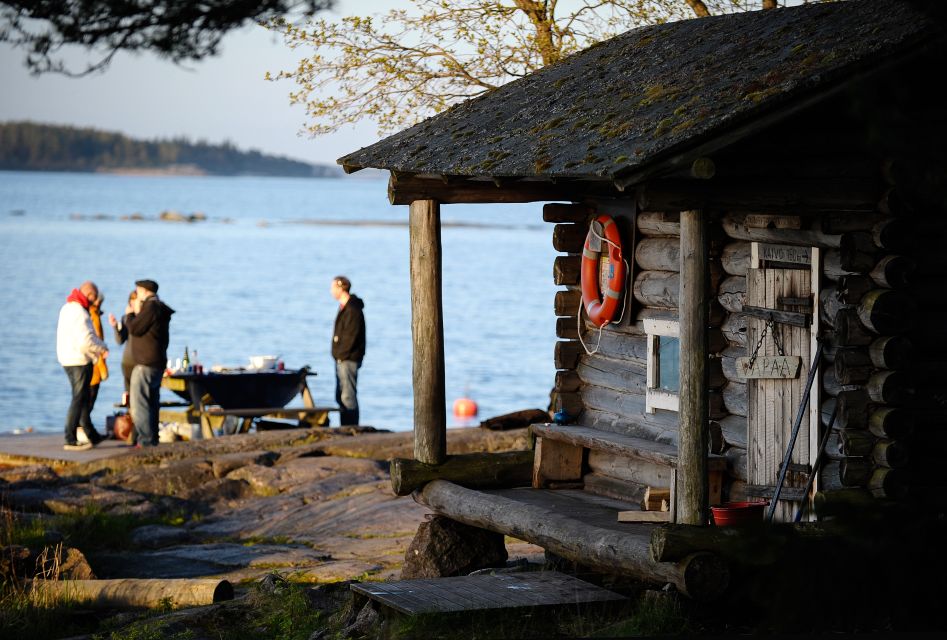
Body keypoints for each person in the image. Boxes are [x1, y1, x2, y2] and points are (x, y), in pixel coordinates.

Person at [56, 281, 109, 451]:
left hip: (66, 358)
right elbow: (86, 341)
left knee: (82, 398)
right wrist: (101, 347)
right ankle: (69, 438)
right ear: (90, 295)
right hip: (79, 360)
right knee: (79, 399)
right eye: (94, 297)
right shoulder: (80, 312)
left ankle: (92, 435)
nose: (95, 301)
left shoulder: (67, 308)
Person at [125, 279, 174, 447]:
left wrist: (130, 314)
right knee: (152, 403)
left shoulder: (151, 307)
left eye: (138, 291)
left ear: (145, 291)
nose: (136, 294)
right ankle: (152, 439)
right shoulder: (159, 308)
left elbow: (135, 329)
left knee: (139, 405)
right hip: (157, 362)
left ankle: (146, 440)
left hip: (146, 363)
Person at [330, 275, 365, 426]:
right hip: (342, 359)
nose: (331, 291)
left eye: (333, 287)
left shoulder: (352, 309)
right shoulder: (344, 307)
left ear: (341, 288)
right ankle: (346, 426)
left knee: (348, 396)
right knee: (341, 396)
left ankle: (351, 429)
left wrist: (341, 355)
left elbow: (351, 336)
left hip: (348, 359)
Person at [108, 289, 138, 403]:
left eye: (135, 301)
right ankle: (130, 418)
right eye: (131, 301)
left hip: (140, 361)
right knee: (129, 395)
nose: (132, 304)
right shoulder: (126, 318)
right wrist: (115, 326)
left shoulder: (144, 318)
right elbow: (120, 340)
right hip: (128, 361)